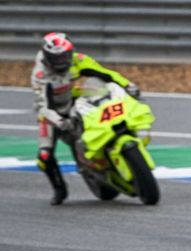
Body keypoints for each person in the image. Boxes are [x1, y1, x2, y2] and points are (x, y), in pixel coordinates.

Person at [31, 32, 140, 205]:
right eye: (55, 58)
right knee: (44, 156)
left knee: (100, 106)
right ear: (46, 56)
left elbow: (106, 74)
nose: (61, 62)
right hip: (51, 113)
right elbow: (42, 106)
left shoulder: (78, 59)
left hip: (72, 101)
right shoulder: (40, 75)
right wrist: (60, 121)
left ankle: (102, 152)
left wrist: (128, 85)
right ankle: (59, 189)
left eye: (64, 56)